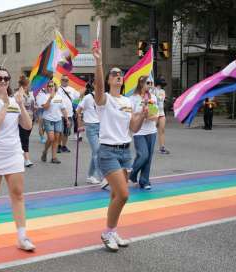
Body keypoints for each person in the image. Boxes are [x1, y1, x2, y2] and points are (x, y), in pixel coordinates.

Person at [93, 41, 146, 252]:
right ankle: (107, 232)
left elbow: (133, 127)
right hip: (108, 151)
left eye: (120, 74)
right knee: (124, 195)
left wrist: (142, 114)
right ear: (108, 79)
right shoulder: (103, 99)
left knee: (116, 195)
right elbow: (98, 86)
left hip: (125, 151)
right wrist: (98, 62)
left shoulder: (128, 101)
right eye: (113, 73)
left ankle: (112, 230)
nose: (117, 75)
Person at [0, 67, 36, 251]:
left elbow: (27, 126)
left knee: (18, 194)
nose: (3, 81)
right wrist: (5, 105)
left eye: (6, 78)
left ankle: (22, 237)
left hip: (13, 153)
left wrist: (19, 105)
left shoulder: (15, 100)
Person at [129, 76, 159, 190]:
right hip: (139, 131)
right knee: (143, 155)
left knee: (149, 157)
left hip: (151, 131)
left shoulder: (153, 98)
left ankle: (144, 180)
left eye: (151, 83)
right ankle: (132, 174)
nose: (150, 85)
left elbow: (155, 115)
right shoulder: (133, 99)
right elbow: (131, 115)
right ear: (141, 83)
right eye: (148, 82)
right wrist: (141, 114)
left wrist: (149, 115)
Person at [37, 80, 69, 164]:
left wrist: (67, 119)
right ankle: (45, 151)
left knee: (56, 139)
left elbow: (63, 109)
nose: (51, 87)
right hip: (48, 119)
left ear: (55, 87)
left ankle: (54, 158)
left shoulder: (59, 97)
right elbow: (46, 108)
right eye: (49, 86)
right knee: (51, 138)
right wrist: (50, 98)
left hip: (58, 119)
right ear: (47, 88)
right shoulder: (44, 96)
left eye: (52, 86)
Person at [77, 88, 102, 184]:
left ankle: (90, 176)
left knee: (95, 153)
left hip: (102, 126)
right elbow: (78, 111)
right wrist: (80, 125)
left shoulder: (104, 96)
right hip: (91, 126)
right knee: (97, 151)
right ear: (94, 85)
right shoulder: (88, 97)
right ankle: (103, 177)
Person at [58, 75, 80, 153]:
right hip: (59, 114)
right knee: (60, 131)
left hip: (69, 114)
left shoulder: (72, 89)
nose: (65, 81)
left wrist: (85, 88)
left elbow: (78, 96)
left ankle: (64, 146)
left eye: (66, 80)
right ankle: (58, 146)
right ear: (61, 80)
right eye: (63, 80)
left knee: (66, 132)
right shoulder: (57, 89)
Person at [17, 75, 35, 167]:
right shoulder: (18, 94)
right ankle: (27, 159)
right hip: (21, 119)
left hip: (31, 118)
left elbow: (32, 105)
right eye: (26, 84)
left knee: (23, 139)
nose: (27, 86)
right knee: (25, 139)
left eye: (28, 84)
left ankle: (20, 155)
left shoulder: (31, 94)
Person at [152, 78, 170, 154]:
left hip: (161, 112)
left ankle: (162, 147)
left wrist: (155, 93)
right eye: (162, 82)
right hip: (153, 111)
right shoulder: (152, 90)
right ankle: (149, 146)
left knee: (162, 130)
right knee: (152, 130)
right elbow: (150, 100)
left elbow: (160, 99)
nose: (163, 84)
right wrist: (152, 90)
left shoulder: (162, 91)